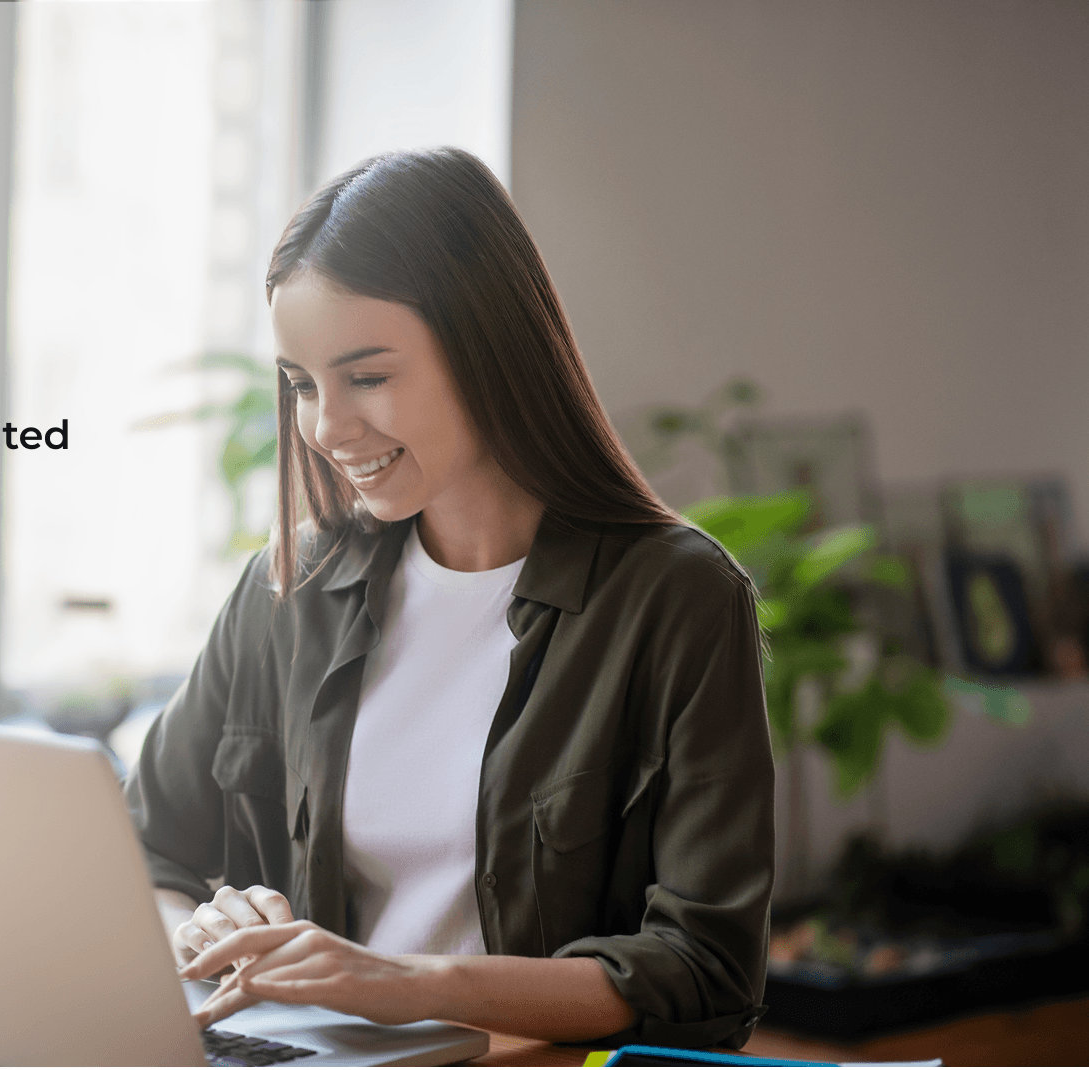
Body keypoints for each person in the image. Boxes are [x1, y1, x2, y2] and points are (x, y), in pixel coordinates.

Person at [124, 147, 774, 1050]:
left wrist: (407, 985)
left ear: (487, 347)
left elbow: (705, 968)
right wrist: (199, 934)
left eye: (369, 377)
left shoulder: (677, 600)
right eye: (303, 384)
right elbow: (143, 851)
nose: (324, 427)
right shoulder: (290, 587)